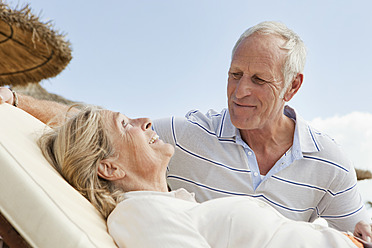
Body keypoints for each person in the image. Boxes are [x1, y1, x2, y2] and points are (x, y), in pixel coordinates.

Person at [0, 20, 371, 240]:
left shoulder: (329, 164)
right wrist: (15, 99)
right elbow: (97, 130)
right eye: (235, 75)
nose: (240, 92)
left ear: (292, 87)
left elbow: (357, 236)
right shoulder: (186, 137)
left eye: (259, 80)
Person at [36, 105, 368, 248]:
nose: (145, 121)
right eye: (126, 125)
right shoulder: (140, 213)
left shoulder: (169, 204)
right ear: (110, 168)